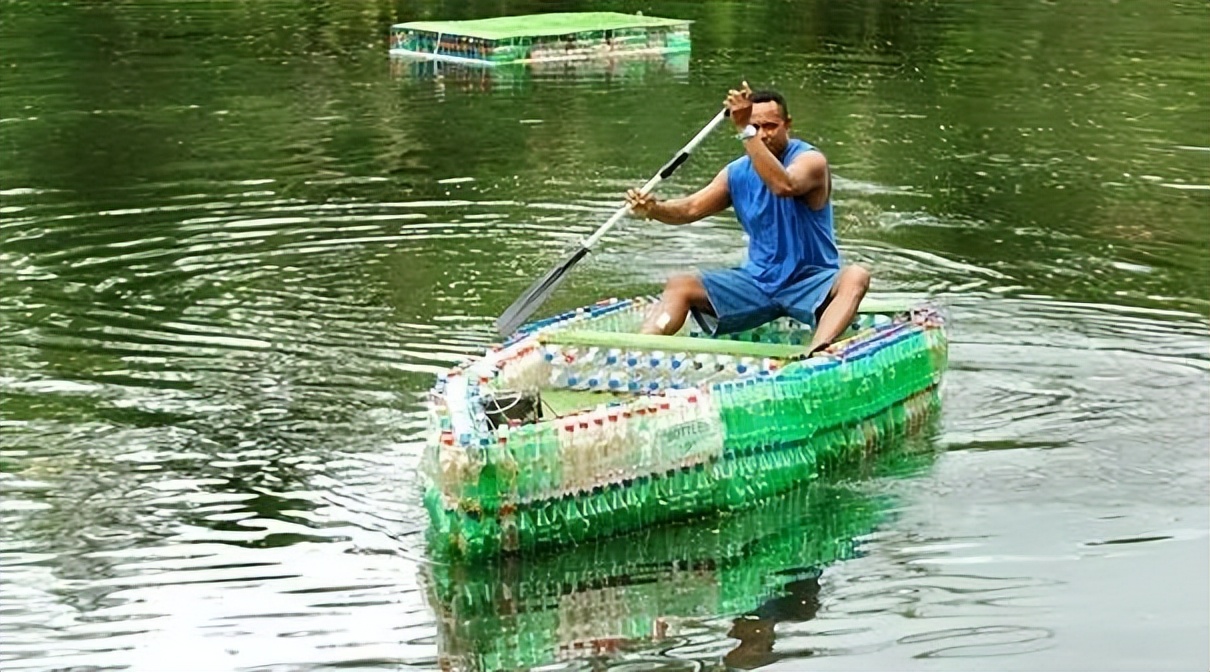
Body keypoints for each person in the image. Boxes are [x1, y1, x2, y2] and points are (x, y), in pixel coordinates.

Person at [625, 82, 870, 356]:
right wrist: (654, 208)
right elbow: (691, 209)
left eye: (770, 126)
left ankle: (815, 354)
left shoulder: (811, 161)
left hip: (811, 281)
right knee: (680, 284)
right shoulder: (736, 173)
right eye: (756, 126)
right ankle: (641, 350)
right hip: (758, 282)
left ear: (787, 124)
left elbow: (784, 185)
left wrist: (745, 130)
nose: (762, 135)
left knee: (855, 275)